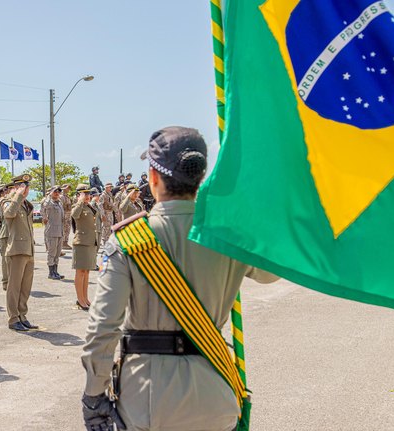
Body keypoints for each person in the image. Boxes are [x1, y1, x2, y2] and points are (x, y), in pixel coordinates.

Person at [81, 126, 279, 431]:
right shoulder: (228, 236)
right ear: (200, 178)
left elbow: (102, 328)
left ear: (153, 177)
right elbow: (271, 272)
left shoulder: (129, 241)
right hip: (216, 393)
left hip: (148, 401)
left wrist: (94, 395)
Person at [3, 174, 38, 332]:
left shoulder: (26, 204)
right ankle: (13, 318)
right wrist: (17, 195)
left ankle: (22, 315)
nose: (25, 190)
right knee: (14, 286)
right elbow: (9, 214)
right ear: (15, 187)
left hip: (28, 249)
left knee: (25, 286)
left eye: (26, 187)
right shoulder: (8, 201)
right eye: (22, 187)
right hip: (16, 250)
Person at [71, 185, 96, 311]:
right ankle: (80, 300)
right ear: (78, 195)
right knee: (80, 272)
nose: (87, 196)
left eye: (88, 193)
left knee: (86, 272)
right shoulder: (77, 206)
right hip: (81, 243)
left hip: (90, 242)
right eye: (84, 194)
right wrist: (80, 201)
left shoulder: (89, 206)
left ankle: (85, 298)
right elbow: (75, 215)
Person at [40, 186, 64, 280]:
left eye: (59, 191)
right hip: (51, 231)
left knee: (57, 253)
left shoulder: (59, 203)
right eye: (55, 191)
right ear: (50, 192)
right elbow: (43, 208)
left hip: (60, 231)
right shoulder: (48, 202)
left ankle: (55, 271)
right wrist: (49, 195)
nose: (57, 193)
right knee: (52, 253)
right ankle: (51, 272)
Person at [0, 184, 14, 291]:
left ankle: (13, 281)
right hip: (6, 232)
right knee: (5, 259)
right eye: (11, 189)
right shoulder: (4, 201)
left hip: (15, 233)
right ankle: (6, 282)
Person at [60, 184, 72, 250]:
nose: (68, 189)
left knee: (67, 229)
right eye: (67, 188)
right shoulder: (61, 196)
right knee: (64, 229)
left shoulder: (67, 196)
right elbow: (60, 207)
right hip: (64, 215)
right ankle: (63, 243)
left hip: (68, 215)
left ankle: (65, 242)